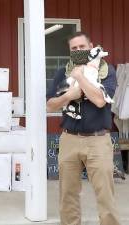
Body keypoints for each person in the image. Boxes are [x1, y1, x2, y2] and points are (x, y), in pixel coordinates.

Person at [46, 32, 121, 225]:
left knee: (105, 196)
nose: (78, 50)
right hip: (69, 139)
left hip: (98, 140)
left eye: (82, 47)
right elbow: (50, 105)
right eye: (74, 48)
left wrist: (80, 76)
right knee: (68, 195)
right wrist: (68, 95)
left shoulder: (106, 70)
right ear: (70, 52)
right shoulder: (62, 72)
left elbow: (98, 100)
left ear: (91, 46)